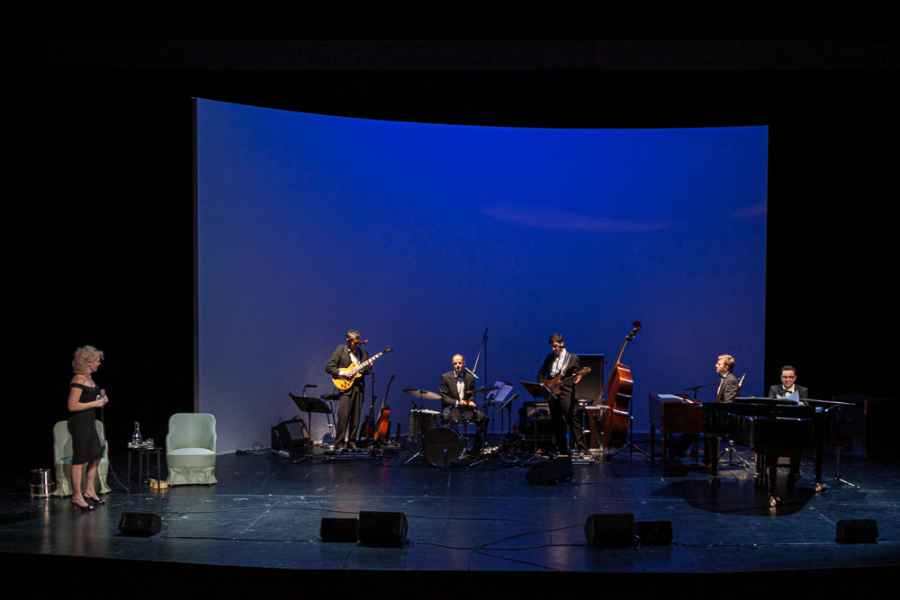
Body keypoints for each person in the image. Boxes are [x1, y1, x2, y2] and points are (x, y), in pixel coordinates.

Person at [67, 345, 109, 511]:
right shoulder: (78, 379)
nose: (99, 363)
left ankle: (89, 489)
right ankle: (77, 496)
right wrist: (96, 403)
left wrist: (102, 397)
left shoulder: (90, 379)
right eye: (97, 360)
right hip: (79, 422)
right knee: (80, 458)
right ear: (88, 361)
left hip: (89, 421)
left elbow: (91, 399)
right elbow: (72, 406)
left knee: (96, 453)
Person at [764, 365, 809, 499]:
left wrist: (801, 405)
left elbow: (806, 407)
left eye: (790, 377)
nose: (787, 380)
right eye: (784, 377)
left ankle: (794, 472)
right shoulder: (774, 389)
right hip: (777, 428)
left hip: (795, 428)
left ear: (795, 378)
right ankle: (771, 486)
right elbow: (769, 406)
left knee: (797, 449)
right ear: (781, 377)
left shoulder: (803, 390)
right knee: (773, 453)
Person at [536, 333, 586, 455]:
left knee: (571, 418)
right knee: (556, 421)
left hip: (566, 392)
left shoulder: (572, 358)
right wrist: (544, 384)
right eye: (552, 347)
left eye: (555, 346)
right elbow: (541, 374)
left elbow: (577, 373)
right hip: (552, 392)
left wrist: (578, 377)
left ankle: (582, 448)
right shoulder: (549, 357)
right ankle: (563, 449)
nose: (553, 349)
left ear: (562, 344)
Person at [325, 330, 369, 450]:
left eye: (358, 342)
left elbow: (368, 371)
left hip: (359, 388)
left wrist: (365, 369)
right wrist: (343, 372)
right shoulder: (341, 350)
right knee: (343, 416)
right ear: (349, 341)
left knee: (356, 418)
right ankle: (339, 443)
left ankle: (352, 442)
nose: (357, 344)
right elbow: (329, 367)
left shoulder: (362, 352)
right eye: (355, 342)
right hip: (345, 388)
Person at [439, 354, 488, 453]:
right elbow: (444, 397)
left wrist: (471, 401)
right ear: (453, 365)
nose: (457, 365)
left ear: (464, 363)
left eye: (460, 363)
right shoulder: (445, 377)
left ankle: (477, 448)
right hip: (452, 407)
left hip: (466, 408)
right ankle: (451, 449)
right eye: (455, 363)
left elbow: (472, 394)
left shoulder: (470, 377)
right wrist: (457, 402)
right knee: (449, 418)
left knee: (483, 418)